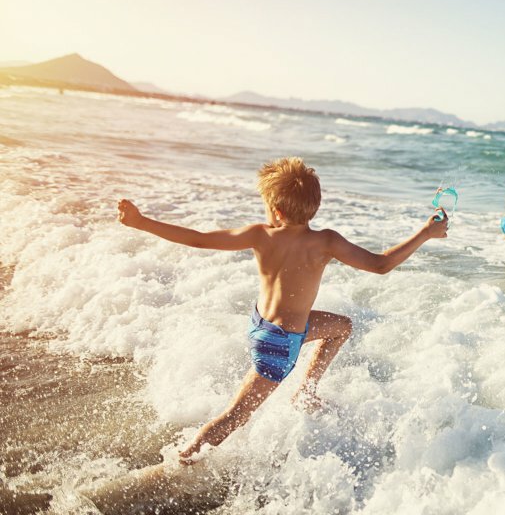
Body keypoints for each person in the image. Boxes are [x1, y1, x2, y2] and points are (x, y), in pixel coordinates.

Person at [116, 156, 448, 464]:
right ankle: (184, 459)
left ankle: (305, 391)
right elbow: (381, 264)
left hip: (263, 325)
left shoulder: (260, 234)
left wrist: (141, 222)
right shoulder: (327, 241)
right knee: (236, 416)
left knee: (341, 327)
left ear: (275, 209)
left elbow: (199, 240)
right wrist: (426, 232)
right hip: (281, 344)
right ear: (314, 207)